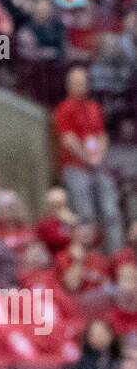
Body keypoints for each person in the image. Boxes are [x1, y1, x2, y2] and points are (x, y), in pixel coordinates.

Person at [54, 65, 124, 254]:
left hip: (98, 165)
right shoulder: (63, 108)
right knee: (86, 215)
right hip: (76, 167)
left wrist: (98, 156)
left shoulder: (94, 107)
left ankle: (116, 256)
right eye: (77, 82)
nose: (81, 86)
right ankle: (92, 258)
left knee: (110, 212)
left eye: (84, 82)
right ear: (69, 85)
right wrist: (87, 158)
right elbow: (68, 138)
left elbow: (102, 135)